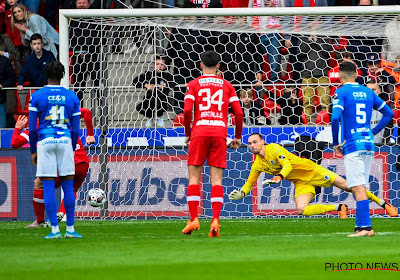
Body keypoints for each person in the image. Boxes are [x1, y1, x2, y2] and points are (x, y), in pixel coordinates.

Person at [229, 133, 398, 218]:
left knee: (348, 186)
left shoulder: (273, 148)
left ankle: (383, 204)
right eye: (250, 143)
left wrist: (279, 177)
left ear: (262, 142)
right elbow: (249, 182)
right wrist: (242, 193)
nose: (252, 145)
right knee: (302, 209)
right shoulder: (257, 163)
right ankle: (339, 208)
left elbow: (286, 164)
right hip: (300, 182)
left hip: (313, 171)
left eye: (255, 142)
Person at [183, 51, 244, 237]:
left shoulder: (193, 84)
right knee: (216, 181)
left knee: (194, 179)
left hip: (200, 131)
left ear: (201, 65)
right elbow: (239, 114)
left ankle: (194, 218)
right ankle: (215, 220)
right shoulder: (227, 86)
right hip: (219, 132)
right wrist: (237, 137)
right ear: (218, 66)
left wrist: (188, 133)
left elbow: (186, 111)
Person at [331, 61, 394, 237]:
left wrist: (336, 142)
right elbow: (389, 113)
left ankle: (366, 228)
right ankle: (360, 227)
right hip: (368, 143)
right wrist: (372, 132)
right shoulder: (368, 91)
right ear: (356, 74)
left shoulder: (341, 92)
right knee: (360, 185)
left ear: (340, 75)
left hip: (353, 144)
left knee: (357, 186)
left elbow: (335, 118)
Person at [11, 109, 95, 228]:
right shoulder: (64, 113)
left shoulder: (36, 126)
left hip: (63, 163)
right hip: (82, 161)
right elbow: (86, 111)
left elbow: (14, 143)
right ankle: (61, 212)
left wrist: (18, 128)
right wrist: (90, 134)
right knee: (71, 190)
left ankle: (40, 221)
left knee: (39, 183)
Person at [28, 61, 82, 239]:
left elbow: (33, 128)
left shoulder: (37, 96)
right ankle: (71, 230)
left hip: (45, 141)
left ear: (46, 74)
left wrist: (33, 151)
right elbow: (75, 129)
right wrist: (72, 148)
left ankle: (54, 230)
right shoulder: (72, 96)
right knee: (68, 186)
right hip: (65, 140)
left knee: (49, 187)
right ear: (63, 75)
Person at [70, 0, 102, 103]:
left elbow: (98, 38)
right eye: (79, 3)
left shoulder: (95, 18)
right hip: (78, 58)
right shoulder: (72, 18)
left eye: (84, 2)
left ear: (89, 4)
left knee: (98, 87)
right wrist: (76, 51)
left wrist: (89, 51)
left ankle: (102, 114)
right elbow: (70, 38)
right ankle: (78, 115)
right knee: (78, 89)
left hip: (93, 57)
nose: (81, 5)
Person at [133, 55, 176, 127]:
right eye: (157, 64)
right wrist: (145, 85)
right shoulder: (148, 74)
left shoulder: (167, 75)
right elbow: (135, 81)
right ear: (153, 65)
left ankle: (159, 117)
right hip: (149, 99)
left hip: (161, 100)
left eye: (162, 64)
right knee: (140, 107)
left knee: (159, 103)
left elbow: (175, 82)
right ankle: (149, 117)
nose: (159, 66)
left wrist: (166, 84)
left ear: (165, 66)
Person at [5, 0, 29, 75]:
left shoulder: (24, 8)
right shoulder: (7, 13)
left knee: (27, 57)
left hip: (25, 38)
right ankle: (19, 76)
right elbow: (8, 28)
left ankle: (28, 75)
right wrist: (9, 41)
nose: (10, 0)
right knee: (18, 59)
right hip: (15, 41)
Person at [366, 80, 394, 144]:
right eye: (368, 90)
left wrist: (383, 144)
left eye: (373, 90)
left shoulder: (385, 108)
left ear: (379, 91)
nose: (371, 92)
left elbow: (389, 128)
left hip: (380, 145)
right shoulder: (359, 107)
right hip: (364, 143)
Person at [0, 51, 16, 128]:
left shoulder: (4, 61)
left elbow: (12, 78)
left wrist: (2, 85)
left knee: (2, 129)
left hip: (1, 101)